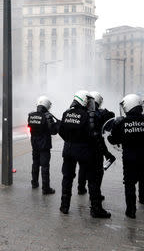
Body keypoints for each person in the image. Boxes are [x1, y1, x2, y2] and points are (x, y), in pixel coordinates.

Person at [58, 90, 111, 218]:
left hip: (68, 150)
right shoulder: (87, 116)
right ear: (83, 100)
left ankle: (64, 206)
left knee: (67, 178)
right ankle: (96, 209)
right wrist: (105, 152)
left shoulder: (66, 113)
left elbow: (61, 131)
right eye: (88, 101)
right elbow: (94, 135)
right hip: (84, 151)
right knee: (93, 180)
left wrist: (70, 141)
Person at [108, 94, 144, 222]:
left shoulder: (121, 122)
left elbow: (114, 140)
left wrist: (110, 135)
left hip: (129, 159)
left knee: (129, 185)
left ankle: (131, 211)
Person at [77, 91, 115, 199]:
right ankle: (95, 195)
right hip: (96, 147)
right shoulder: (99, 114)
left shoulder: (83, 113)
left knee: (83, 168)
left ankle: (81, 188)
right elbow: (109, 122)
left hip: (82, 147)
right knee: (97, 173)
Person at [27, 96, 58, 194]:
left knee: (35, 163)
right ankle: (46, 188)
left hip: (34, 144)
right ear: (47, 105)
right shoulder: (47, 116)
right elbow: (53, 131)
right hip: (44, 145)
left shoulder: (31, 115)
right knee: (44, 166)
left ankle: (34, 183)